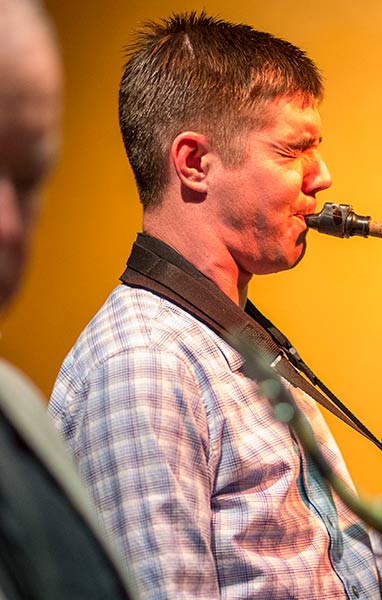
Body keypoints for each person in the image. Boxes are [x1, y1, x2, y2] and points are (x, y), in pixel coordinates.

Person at [49, 11, 382, 599]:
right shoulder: (144, 367)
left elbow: (336, 587)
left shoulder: (227, 344)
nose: (323, 176)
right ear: (194, 163)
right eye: (294, 150)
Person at [0, 0, 139, 597]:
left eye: (28, 179)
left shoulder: (17, 410)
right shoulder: (138, 365)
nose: (8, 226)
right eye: (293, 150)